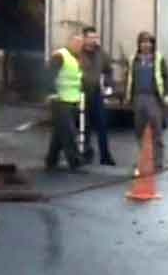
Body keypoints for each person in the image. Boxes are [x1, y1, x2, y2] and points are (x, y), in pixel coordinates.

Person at [126, 31, 168, 172]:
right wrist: (128, 97)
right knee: (139, 131)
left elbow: (166, 77)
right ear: (139, 44)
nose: (146, 45)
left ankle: (158, 163)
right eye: (143, 42)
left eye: (149, 42)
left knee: (156, 131)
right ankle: (144, 159)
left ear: (153, 44)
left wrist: (167, 95)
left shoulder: (158, 59)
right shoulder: (134, 59)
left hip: (153, 98)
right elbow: (129, 79)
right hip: (138, 98)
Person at [45, 31, 86, 172]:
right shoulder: (60, 56)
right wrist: (51, 93)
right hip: (60, 99)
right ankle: (75, 162)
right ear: (69, 42)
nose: (79, 46)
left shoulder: (77, 58)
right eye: (76, 43)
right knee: (69, 132)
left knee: (60, 132)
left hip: (72, 99)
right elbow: (49, 74)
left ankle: (51, 160)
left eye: (81, 43)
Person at [79, 26, 116, 166]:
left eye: (95, 37)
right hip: (81, 94)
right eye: (90, 37)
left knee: (102, 125)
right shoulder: (78, 53)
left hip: (96, 93)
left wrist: (108, 85)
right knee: (84, 126)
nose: (93, 40)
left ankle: (105, 156)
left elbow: (108, 70)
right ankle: (85, 153)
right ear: (84, 38)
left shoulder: (101, 54)